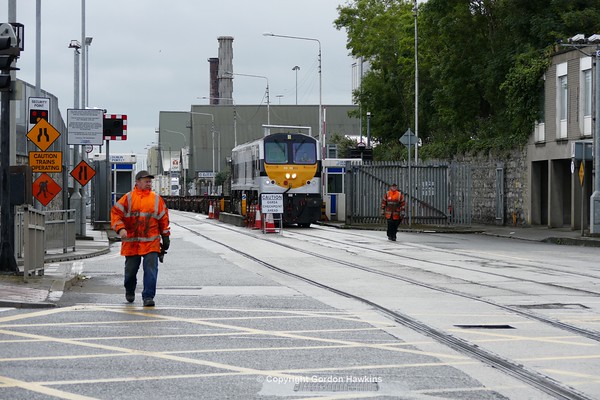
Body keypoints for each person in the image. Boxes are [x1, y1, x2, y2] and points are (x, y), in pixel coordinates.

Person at [111, 170, 170, 307]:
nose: (149, 184)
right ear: (137, 182)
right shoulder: (128, 198)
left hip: (151, 242)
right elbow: (116, 214)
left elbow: (163, 219)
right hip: (132, 242)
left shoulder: (156, 199)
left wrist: (165, 237)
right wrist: (121, 229)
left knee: (151, 269)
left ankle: (148, 297)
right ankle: (129, 289)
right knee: (130, 271)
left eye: (150, 181)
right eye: (146, 181)